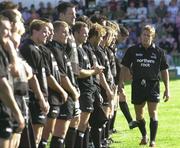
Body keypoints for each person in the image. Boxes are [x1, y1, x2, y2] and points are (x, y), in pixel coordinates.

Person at [118, 25, 170, 147]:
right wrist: (121, 82)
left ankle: (152, 140)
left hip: (153, 85)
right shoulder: (132, 50)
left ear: (152, 37)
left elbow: (164, 70)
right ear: (140, 36)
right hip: (137, 85)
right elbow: (124, 66)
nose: (146, 37)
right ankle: (144, 135)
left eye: (148, 35)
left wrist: (167, 89)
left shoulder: (159, 52)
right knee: (139, 115)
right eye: (144, 35)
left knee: (153, 112)